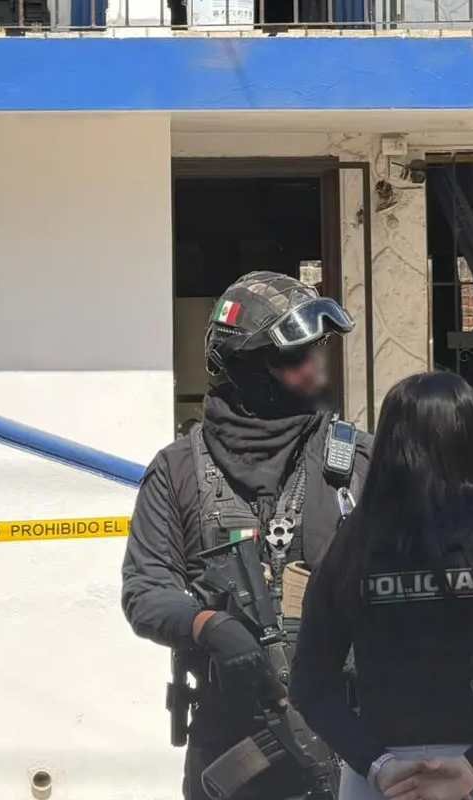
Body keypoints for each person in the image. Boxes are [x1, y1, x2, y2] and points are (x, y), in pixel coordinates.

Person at [121, 271, 373, 800]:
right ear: (246, 368)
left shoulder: (355, 462)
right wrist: (207, 625)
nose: (315, 368)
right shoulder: (178, 470)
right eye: (294, 357)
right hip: (230, 733)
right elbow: (146, 588)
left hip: (349, 731)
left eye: (316, 352)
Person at [289, 371, 473, 800]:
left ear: (388, 447)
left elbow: (310, 685)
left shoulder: (350, 546)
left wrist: (378, 767)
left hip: (388, 779)